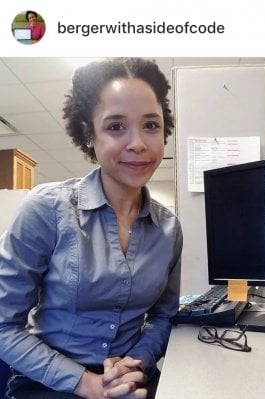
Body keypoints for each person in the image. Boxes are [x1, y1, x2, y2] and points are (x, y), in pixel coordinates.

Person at [0, 58, 183, 399]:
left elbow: (163, 316)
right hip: (49, 381)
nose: (138, 143)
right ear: (88, 134)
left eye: (151, 125)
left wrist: (135, 363)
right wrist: (88, 384)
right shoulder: (47, 210)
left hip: (130, 378)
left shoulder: (169, 229)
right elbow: (3, 326)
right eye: (116, 127)